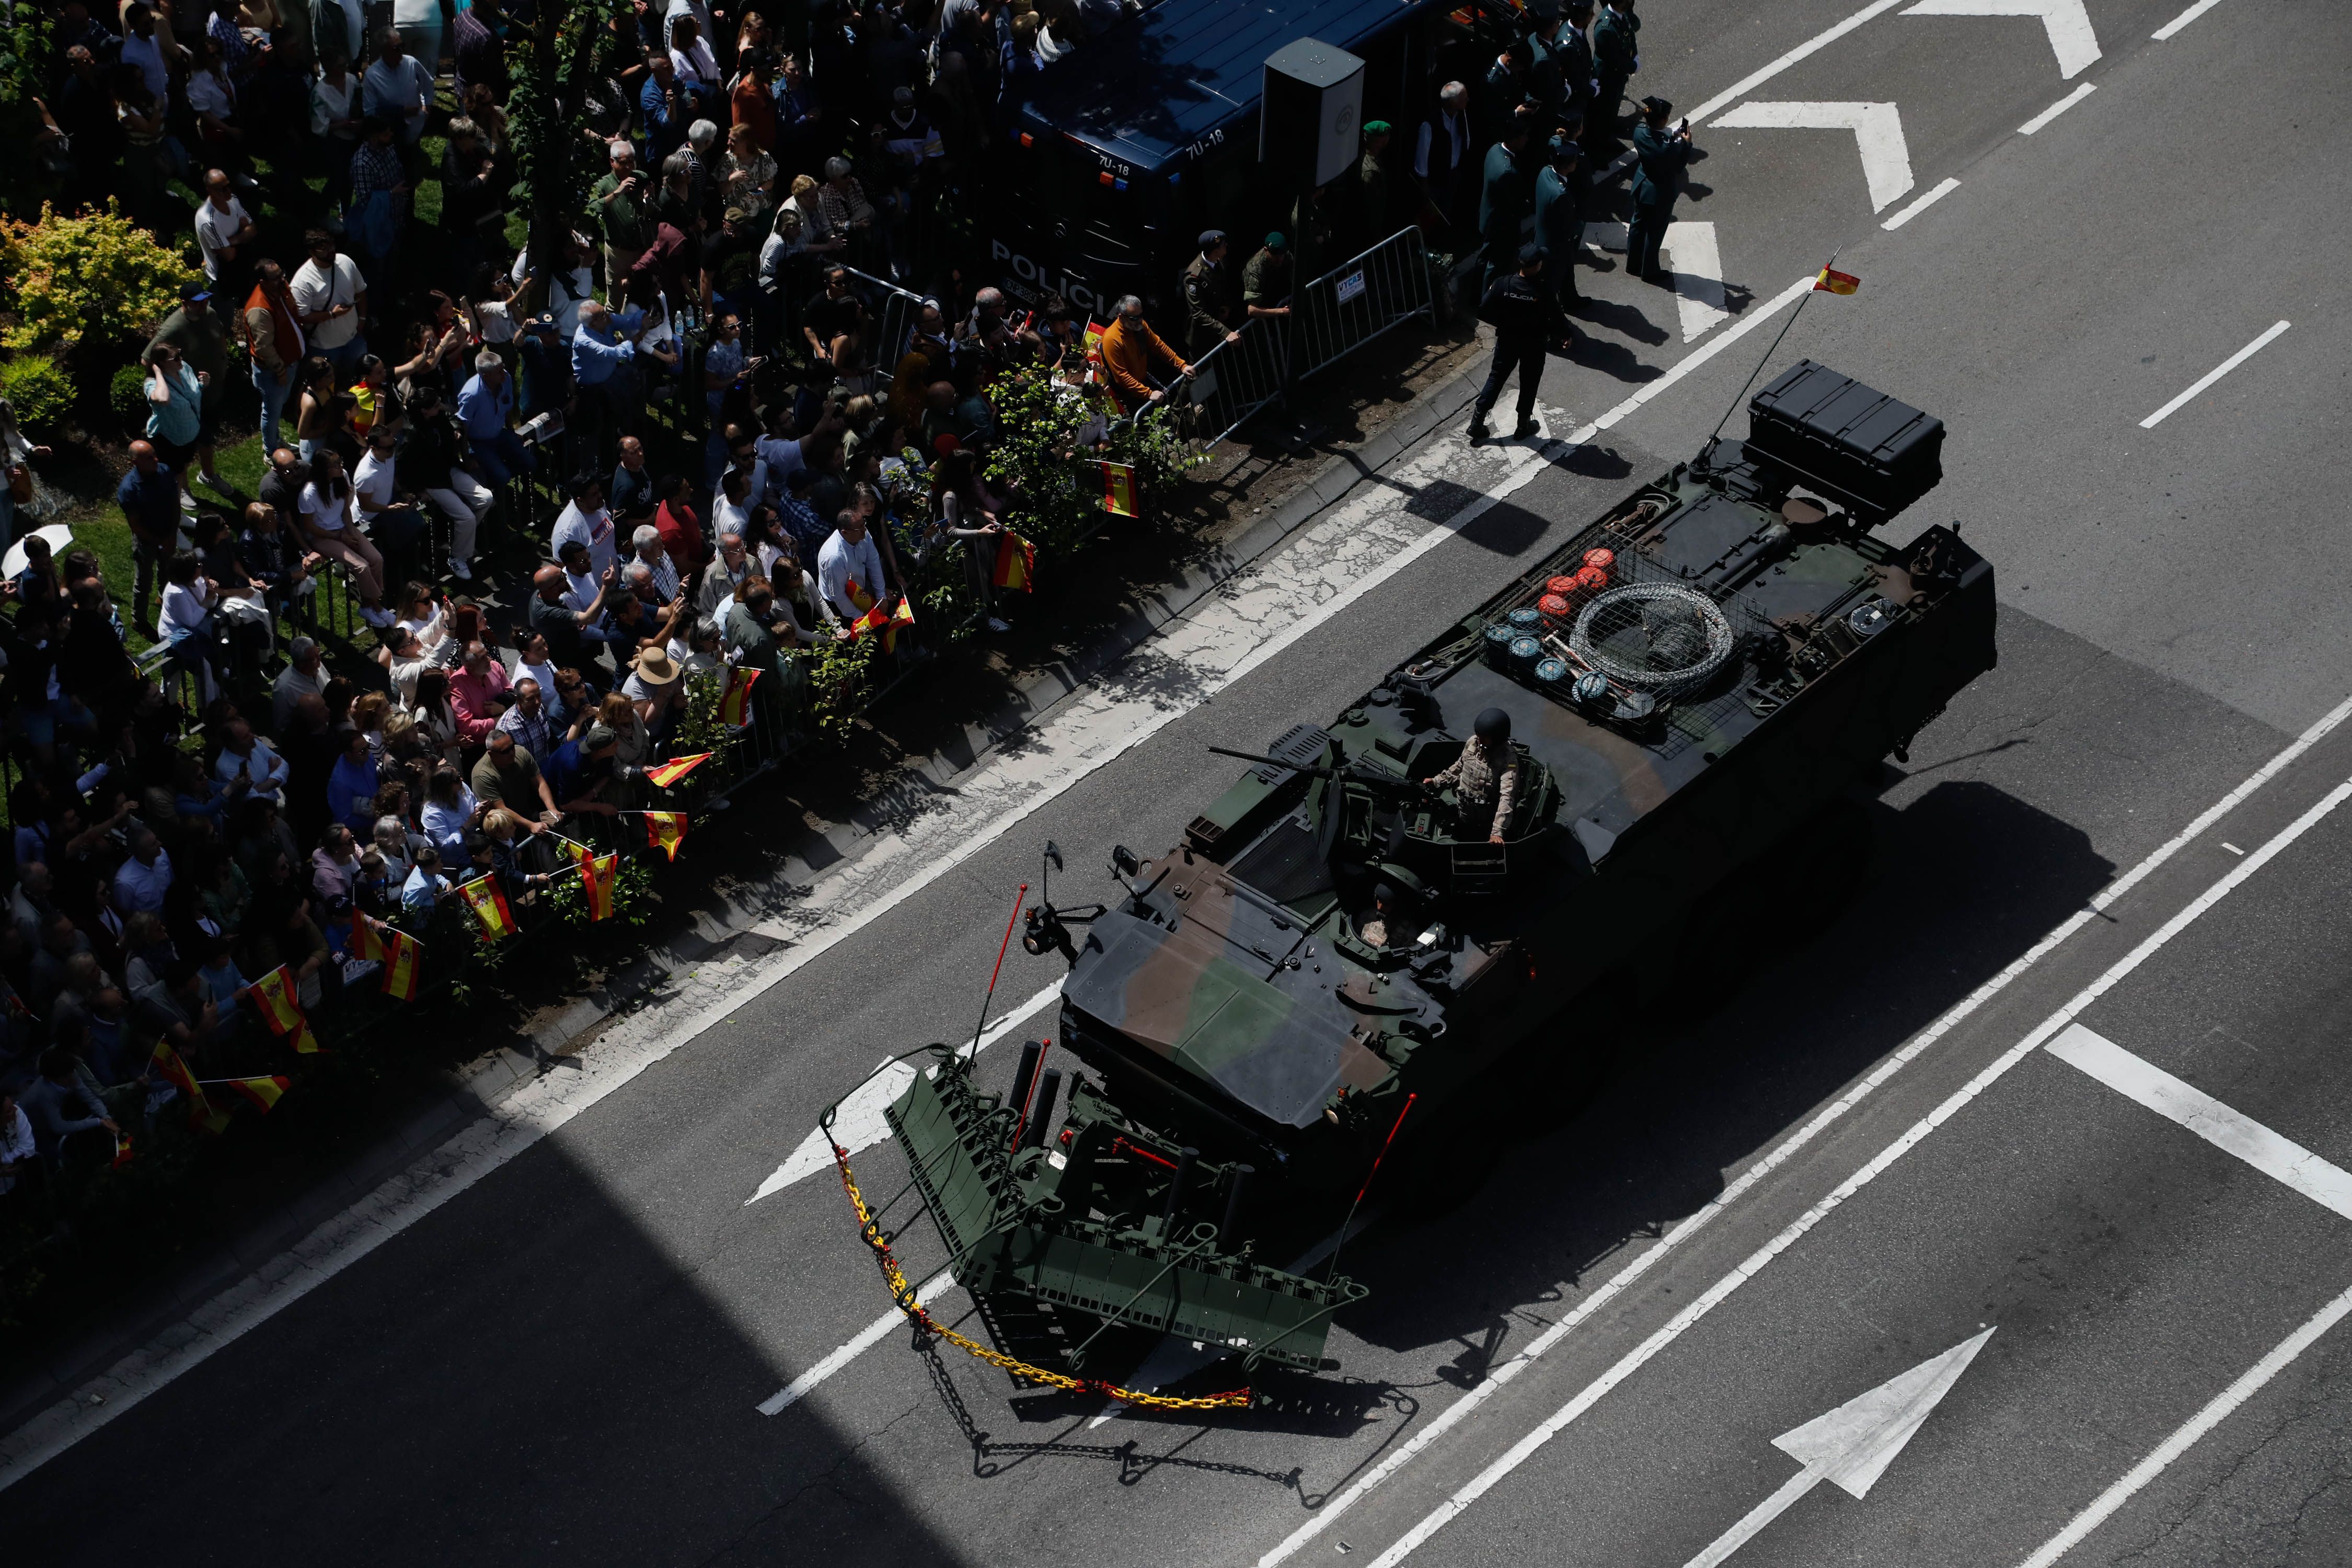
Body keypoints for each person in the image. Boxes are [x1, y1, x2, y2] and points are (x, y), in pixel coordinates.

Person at [296, 448, 393, 625]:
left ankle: (367, 606)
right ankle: (378, 607)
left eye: (340, 461)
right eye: (336, 464)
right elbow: (310, 526)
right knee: (361, 567)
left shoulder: (343, 477)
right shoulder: (309, 494)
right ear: (324, 469)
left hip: (342, 528)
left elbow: (345, 510)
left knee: (376, 559)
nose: (341, 466)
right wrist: (340, 536)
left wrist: (350, 531)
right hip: (322, 536)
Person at [1470, 245, 1550, 445]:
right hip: (1534, 345)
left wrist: (1504, 322)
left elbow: (1483, 310)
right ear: (1537, 266)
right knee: (1530, 382)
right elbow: (1555, 317)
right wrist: (1565, 335)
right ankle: (1523, 425)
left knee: (1496, 377)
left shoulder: (1502, 285)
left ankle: (1477, 421)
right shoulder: (1542, 290)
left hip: (1508, 341)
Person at [1424, 707, 1523, 843]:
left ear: (1497, 738)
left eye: (1484, 737)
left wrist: (1497, 832)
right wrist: (1437, 781)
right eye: (1478, 734)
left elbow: (1507, 796)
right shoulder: (1474, 743)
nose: (1479, 739)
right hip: (1463, 808)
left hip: (1485, 819)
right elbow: (1459, 766)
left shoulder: (1509, 760)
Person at [116, 440, 182, 635]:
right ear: (134, 463)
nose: (156, 460)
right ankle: (139, 620)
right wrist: (161, 541)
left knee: (168, 571)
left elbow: (175, 504)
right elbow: (135, 525)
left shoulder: (165, 471)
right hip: (146, 540)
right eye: (149, 458)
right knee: (144, 581)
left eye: (154, 455)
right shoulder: (129, 490)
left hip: (168, 533)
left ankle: (164, 597)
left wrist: (172, 534)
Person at [1626, 96, 1692, 285]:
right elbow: (1678, 165)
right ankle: (1649, 271)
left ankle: (1633, 264)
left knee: (1638, 226)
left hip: (1642, 185)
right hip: (1660, 194)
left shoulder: (1639, 132)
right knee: (1654, 234)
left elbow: (1656, 139)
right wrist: (1686, 143)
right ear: (1663, 119)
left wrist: (1672, 137)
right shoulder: (1668, 149)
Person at [243, 260, 306, 453]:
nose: (283, 279)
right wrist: (280, 371)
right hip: (273, 371)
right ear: (263, 281)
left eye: (282, 274)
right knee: (271, 412)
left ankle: (275, 440)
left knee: (277, 407)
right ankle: (271, 450)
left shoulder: (278, 290)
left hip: (289, 364)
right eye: (276, 277)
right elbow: (264, 348)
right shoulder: (259, 310)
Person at [1098, 294, 1192, 418]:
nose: (1139, 321)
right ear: (1121, 317)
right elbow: (1121, 376)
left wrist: (1182, 366)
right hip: (1124, 396)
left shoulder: (1141, 327)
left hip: (1142, 385)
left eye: (1140, 316)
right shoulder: (1112, 339)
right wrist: (1148, 394)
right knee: (1137, 431)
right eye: (1134, 318)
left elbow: (1158, 346)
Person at [291, 229, 368, 380]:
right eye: (323, 248)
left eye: (332, 245)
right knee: (324, 385)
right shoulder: (303, 281)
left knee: (356, 378)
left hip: (353, 338)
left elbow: (361, 291)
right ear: (311, 252)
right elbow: (303, 316)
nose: (330, 251)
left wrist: (363, 319)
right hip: (324, 347)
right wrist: (332, 315)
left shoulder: (346, 262)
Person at [456, 350, 533, 485]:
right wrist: (467, 459)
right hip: (479, 442)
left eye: (503, 369)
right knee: (503, 476)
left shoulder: (506, 379)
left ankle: (499, 474)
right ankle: (493, 485)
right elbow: (463, 427)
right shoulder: (471, 395)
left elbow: (507, 406)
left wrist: (511, 431)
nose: (504, 373)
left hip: (499, 434)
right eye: (499, 372)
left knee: (530, 462)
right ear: (486, 377)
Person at [1533, 136, 1587, 317]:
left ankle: (1570, 300)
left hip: (1543, 237)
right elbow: (1569, 226)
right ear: (1569, 165)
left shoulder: (1544, 173)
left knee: (1564, 277)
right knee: (1551, 287)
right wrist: (1579, 228)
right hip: (1556, 248)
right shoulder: (1561, 194)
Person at [1479, 121, 1534, 294]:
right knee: (1497, 265)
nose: (1527, 139)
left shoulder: (1494, 150)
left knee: (1485, 259)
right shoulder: (1507, 171)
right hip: (1502, 226)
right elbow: (1513, 204)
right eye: (1524, 136)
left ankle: (1477, 292)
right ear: (1514, 140)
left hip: (1488, 217)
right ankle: (1487, 300)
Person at [1416, 82, 1474, 231]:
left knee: (1447, 210)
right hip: (1436, 179)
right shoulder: (1430, 124)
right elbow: (1422, 156)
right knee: (1431, 214)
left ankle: (1443, 237)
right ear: (1453, 103)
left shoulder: (1462, 115)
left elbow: (1466, 140)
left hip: (1454, 174)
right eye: (1464, 98)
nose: (1468, 100)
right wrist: (1425, 185)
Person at [192, 168, 257, 302]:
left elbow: (252, 229)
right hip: (218, 276)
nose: (228, 191)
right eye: (222, 189)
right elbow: (228, 255)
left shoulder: (232, 199)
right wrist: (242, 237)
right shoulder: (208, 219)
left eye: (228, 186)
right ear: (210, 190)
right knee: (214, 308)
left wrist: (230, 241)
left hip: (238, 266)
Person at [1180, 231, 1243, 359]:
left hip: (1218, 326)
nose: (1226, 246)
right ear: (1215, 251)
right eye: (1224, 245)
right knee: (1201, 375)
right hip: (1202, 338)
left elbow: (1223, 288)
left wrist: (1227, 306)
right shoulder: (1194, 276)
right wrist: (1225, 332)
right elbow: (1198, 314)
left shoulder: (1219, 262)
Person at [1589, 0, 1640, 150]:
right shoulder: (1606, 28)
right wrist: (1633, 66)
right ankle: (1600, 145)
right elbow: (1613, 60)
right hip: (1608, 77)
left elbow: (1630, 35)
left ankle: (1610, 128)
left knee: (1613, 106)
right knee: (1604, 111)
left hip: (1618, 75)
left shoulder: (1621, 15)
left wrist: (1634, 55)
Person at [1241, 233, 1293, 323]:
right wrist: (1281, 311)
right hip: (1263, 311)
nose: (1279, 259)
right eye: (1275, 255)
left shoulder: (1287, 256)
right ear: (1266, 250)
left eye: (1281, 255)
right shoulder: (1255, 269)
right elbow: (1252, 310)